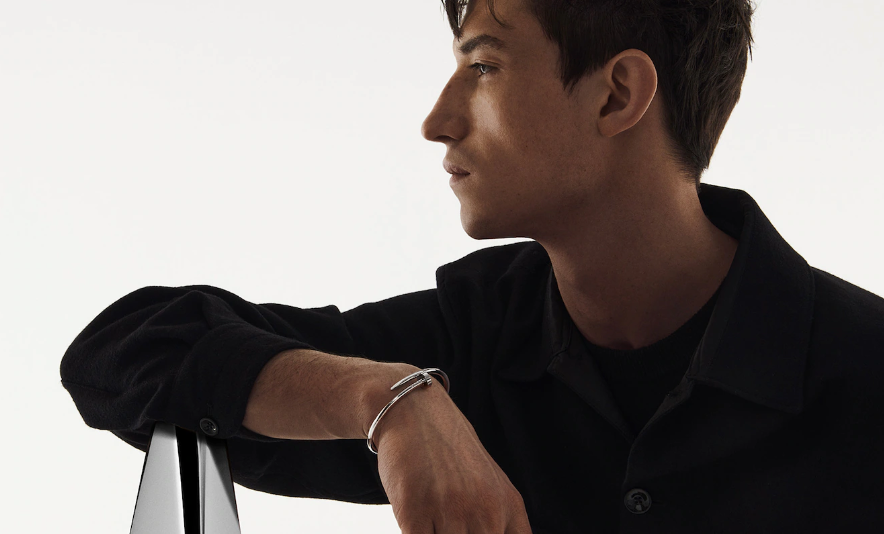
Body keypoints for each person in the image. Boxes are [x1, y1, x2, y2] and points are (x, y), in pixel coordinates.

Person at [60, 0, 884, 532]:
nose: (438, 119)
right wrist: (388, 402)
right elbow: (126, 352)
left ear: (616, 95)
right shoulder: (475, 341)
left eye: (483, 65)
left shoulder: (864, 374)